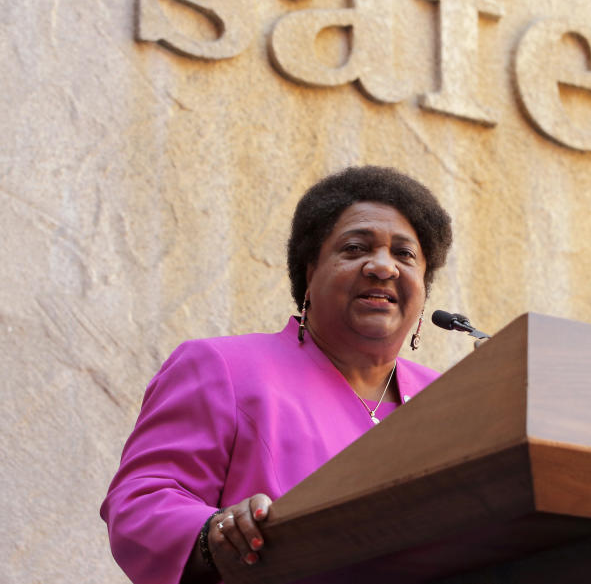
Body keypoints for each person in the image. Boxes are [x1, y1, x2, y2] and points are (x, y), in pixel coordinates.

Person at [100, 166, 453, 584]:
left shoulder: (448, 399)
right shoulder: (222, 367)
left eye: (405, 254)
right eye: (356, 248)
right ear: (309, 272)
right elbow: (141, 502)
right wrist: (216, 535)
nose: (383, 266)